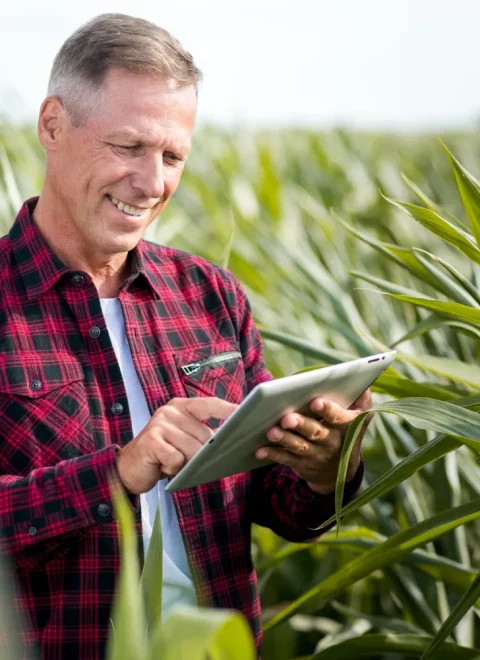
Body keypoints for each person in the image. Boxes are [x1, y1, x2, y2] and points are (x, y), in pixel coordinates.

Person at [0, 13, 370, 659]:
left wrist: (323, 471)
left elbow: (279, 509)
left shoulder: (209, 294)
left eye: (172, 156)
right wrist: (118, 472)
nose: (153, 184)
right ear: (53, 125)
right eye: (127, 147)